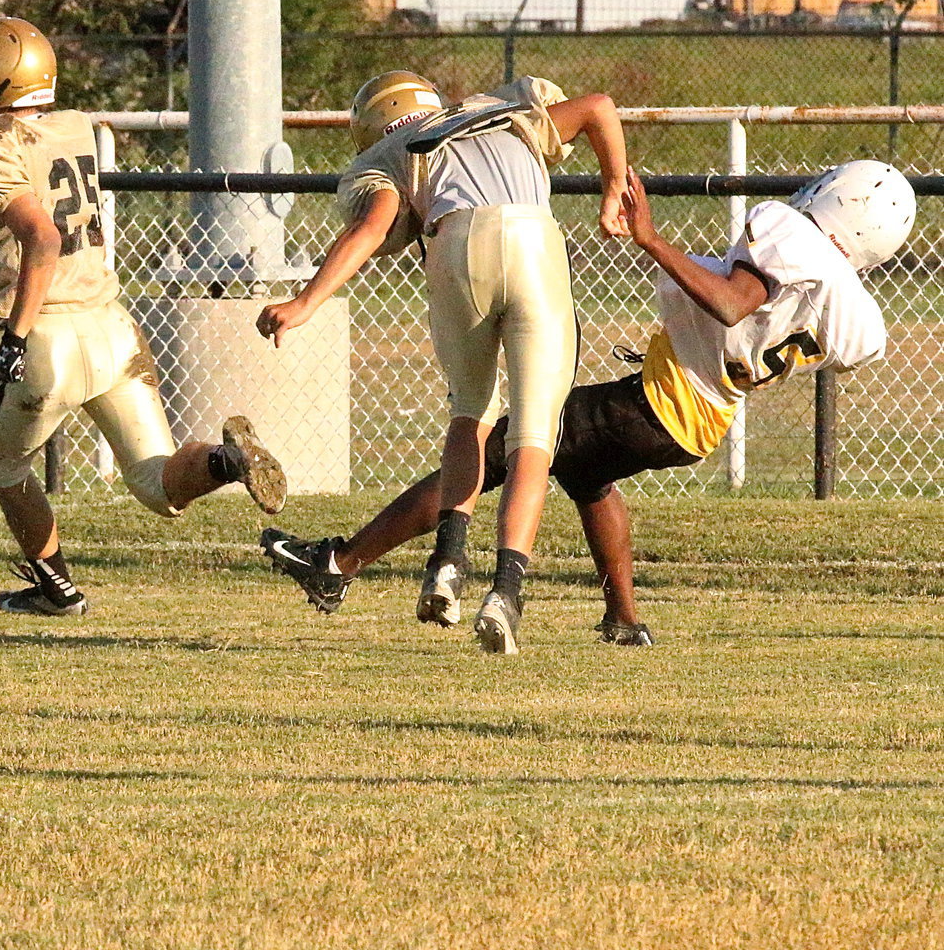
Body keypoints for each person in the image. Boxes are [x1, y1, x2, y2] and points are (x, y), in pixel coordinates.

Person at [262, 159, 916, 648]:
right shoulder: (849, 309)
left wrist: (651, 239)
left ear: (839, 198)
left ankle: (338, 565)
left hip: (659, 404)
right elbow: (756, 307)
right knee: (590, 476)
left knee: (489, 451)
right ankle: (623, 619)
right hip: (695, 423)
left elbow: (732, 302)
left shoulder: (787, 240)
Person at [257, 71, 630, 653]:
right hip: (533, 242)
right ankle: (506, 588)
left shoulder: (390, 153)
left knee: (471, 416)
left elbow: (373, 223)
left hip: (454, 245)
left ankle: (449, 559)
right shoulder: (506, 114)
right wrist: (611, 191)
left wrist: (307, 301)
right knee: (534, 432)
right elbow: (600, 104)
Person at [0, 16, 286, 616]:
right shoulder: (75, 127)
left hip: (49, 331)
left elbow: (41, 239)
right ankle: (225, 461)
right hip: (111, 325)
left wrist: (16, 335)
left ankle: (57, 588)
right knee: (157, 483)